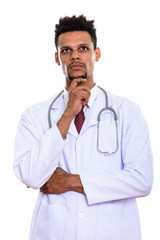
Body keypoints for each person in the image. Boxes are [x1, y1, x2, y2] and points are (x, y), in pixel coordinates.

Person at [14, 15, 153, 240]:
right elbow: (31, 176)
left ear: (96, 54)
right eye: (66, 50)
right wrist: (68, 113)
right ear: (57, 58)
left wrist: (71, 181)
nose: (75, 55)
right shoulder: (34, 115)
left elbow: (141, 180)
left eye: (83, 48)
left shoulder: (127, 112)